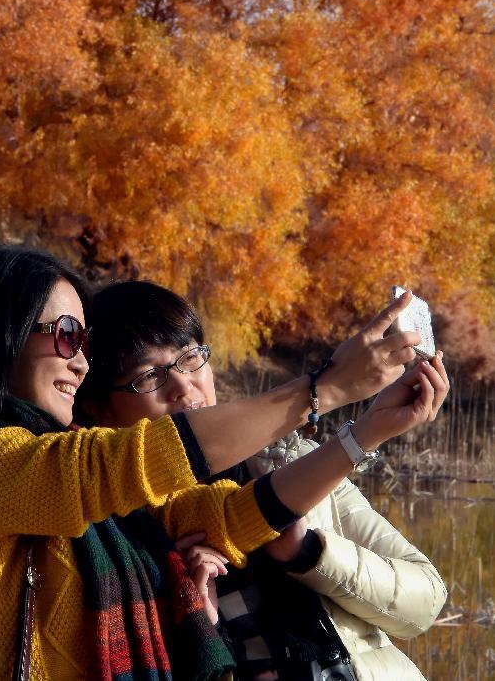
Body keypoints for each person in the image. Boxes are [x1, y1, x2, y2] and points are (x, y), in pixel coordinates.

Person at [0, 246, 448, 680]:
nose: (80, 362)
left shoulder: (101, 491)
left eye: (84, 341)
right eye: (65, 335)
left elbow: (226, 516)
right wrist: (322, 388)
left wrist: (365, 431)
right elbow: (128, 462)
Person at [76, 280, 448, 681]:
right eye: (150, 376)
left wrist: (309, 552)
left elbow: (424, 602)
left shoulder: (287, 462)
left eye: (190, 359)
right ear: (102, 411)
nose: (184, 386)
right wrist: (204, 627)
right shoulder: (117, 536)